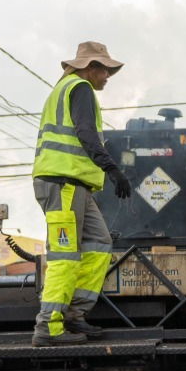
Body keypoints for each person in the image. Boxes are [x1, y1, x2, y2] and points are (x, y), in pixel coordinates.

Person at [30, 41, 133, 346]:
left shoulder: (62, 91)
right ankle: (48, 325)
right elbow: (85, 132)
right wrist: (112, 168)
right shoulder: (80, 88)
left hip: (74, 186)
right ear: (90, 67)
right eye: (104, 70)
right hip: (63, 185)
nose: (107, 76)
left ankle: (74, 316)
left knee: (100, 243)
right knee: (65, 256)